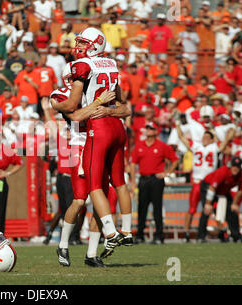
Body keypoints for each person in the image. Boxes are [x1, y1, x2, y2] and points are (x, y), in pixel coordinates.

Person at [51, 28, 133, 260]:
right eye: (71, 78)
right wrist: (99, 103)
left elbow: (125, 107)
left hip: (100, 137)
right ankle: (64, 244)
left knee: (105, 195)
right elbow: (75, 114)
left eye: (74, 78)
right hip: (78, 145)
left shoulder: (91, 75)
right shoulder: (59, 94)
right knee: (79, 199)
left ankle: (92, 252)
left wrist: (108, 109)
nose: (72, 81)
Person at [175, 123, 233, 242]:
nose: (204, 139)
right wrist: (177, 125)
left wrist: (231, 128)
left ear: (212, 139)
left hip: (210, 184)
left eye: (207, 138)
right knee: (192, 209)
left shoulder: (215, 147)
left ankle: (222, 231)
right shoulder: (196, 145)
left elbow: (227, 139)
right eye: (203, 137)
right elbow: (181, 137)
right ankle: (186, 233)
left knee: (215, 209)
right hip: (197, 182)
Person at [130, 122, 179, 244]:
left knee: (157, 208)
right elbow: (132, 164)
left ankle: (159, 236)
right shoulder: (139, 145)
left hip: (156, 179)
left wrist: (166, 173)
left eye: (150, 128)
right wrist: (132, 181)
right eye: (147, 128)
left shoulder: (162, 146)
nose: (148, 130)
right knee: (142, 208)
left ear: (156, 131)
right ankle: (140, 235)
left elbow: (175, 160)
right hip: (143, 179)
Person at [197, 156, 242, 242]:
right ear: (230, 166)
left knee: (232, 210)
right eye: (234, 166)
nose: (235, 168)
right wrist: (208, 203)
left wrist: (234, 203)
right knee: (206, 210)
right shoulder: (223, 171)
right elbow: (212, 187)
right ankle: (201, 236)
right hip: (208, 187)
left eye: (237, 166)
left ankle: (236, 235)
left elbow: (240, 190)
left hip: (223, 190)